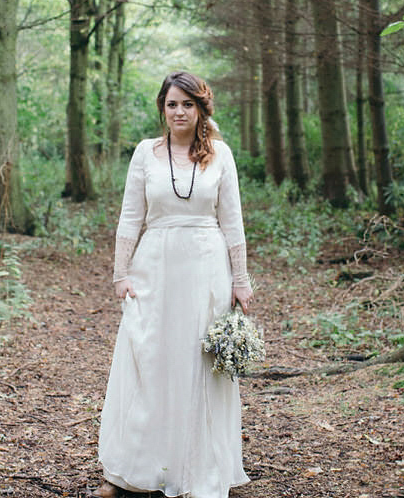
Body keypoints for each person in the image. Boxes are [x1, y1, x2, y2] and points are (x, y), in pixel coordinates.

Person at [93, 71, 254, 498]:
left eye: (187, 104)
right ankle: (128, 472)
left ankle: (201, 469)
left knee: (198, 366)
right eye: (171, 104)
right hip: (154, 266)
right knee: (148, 358)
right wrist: (120, 272)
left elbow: (232, 222)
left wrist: (241, 279)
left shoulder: (219, 155)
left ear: (201, 109)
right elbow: (130, 217)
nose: (179, 112)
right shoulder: (145, 153)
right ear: (162, 109)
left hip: (206, 269)